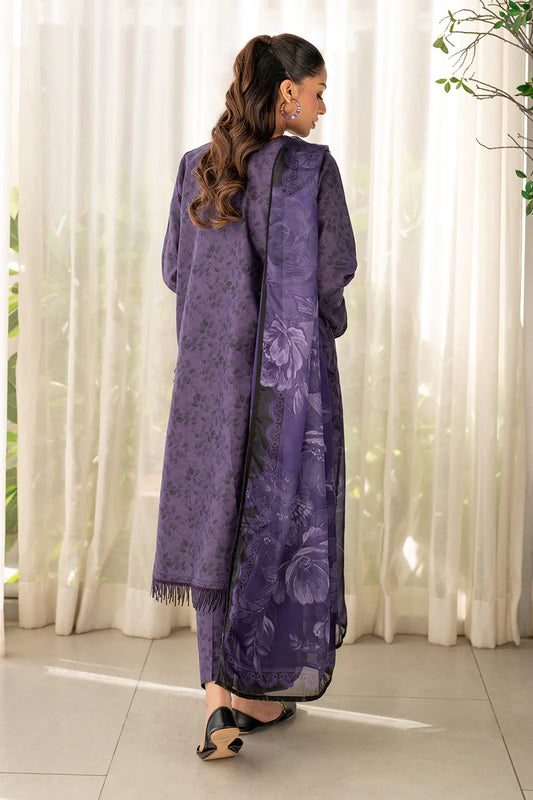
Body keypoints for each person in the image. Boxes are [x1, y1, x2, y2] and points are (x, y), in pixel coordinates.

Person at [150, 32, 357, 760]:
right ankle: (252, 691)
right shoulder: (311, 171)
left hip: (208, 382)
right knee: (274, 523)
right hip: (286, 385)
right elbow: (332, 272)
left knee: (218, 522)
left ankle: (221, 701)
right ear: (287, 93)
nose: (323, 109)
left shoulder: (197, 168)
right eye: (319, 93)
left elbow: (175, 270)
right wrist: (315, 326)